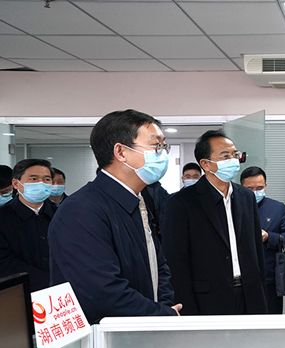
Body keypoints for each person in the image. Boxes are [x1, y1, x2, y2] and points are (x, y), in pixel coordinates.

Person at [48, 109, 180, 323]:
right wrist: (162, 315)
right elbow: (102, 293)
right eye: (156, 146)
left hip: (146, 328)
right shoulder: (81, 210)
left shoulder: (138, 199)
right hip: (107, 337)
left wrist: (163, 306)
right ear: (121, 152)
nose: (162, 154)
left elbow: (159, 266)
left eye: (164, 146)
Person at [164, 130, 266, 316]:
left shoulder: (246, 197)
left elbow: (256, 249)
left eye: (235, 154)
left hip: (249, 293)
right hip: (207, 298)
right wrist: (187, 307)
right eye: (225, 156)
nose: (233, 160)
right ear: (205, 164)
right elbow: (176, 261)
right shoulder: (182, 202)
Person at [240, 166, 285, 314]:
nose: (255, 192)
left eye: (259, 188)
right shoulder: (233, 207)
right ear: (241, 187)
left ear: (266, 186)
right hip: (240, 281)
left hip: (270, 279)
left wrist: (269, 237)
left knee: (271, 320)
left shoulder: (277, 208)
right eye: (249, 189)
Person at [0, 159, 57, 290]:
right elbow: (4, 262)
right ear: (16, 184)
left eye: (47, 179)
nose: (41, 183)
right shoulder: (3, 217)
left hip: (63, 290)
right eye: (33, 179)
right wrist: (47, 281)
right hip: (20, 290)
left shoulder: (61, 214)